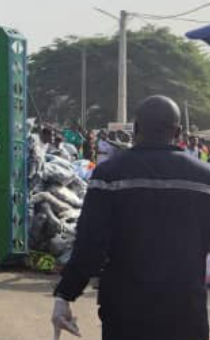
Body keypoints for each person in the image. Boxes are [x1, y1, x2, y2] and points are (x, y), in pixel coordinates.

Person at [51, 95, 210, 340]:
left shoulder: (109, 174)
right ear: (178, 132)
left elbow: (90, 244)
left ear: (136, 129)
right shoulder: (204, 178)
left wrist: (66, 294)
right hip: (185, 309)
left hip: (126, 311)